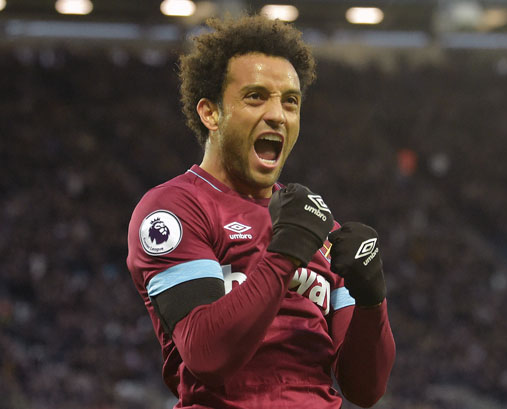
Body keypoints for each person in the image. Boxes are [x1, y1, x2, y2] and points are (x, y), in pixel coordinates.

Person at [126, 14, 395, 408]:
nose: (278, 115)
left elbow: (365, 388)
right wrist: (285, 253)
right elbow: (207, 354)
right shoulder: (176, 209)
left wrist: (372, 300)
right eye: (256, 96)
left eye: (290, 101)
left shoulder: (315, 223)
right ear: (210, 113)